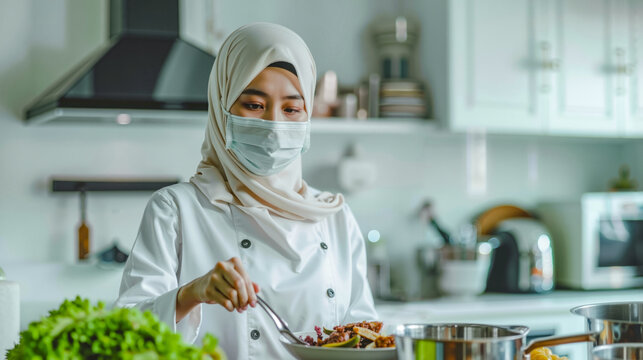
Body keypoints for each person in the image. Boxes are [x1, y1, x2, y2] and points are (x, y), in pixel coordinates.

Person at [116, 23, 377, 359]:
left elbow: (364, 335)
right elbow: (125, 332)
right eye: (254, 105)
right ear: (222, 106)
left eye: (292, 109)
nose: (274, 126)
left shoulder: (335, 217)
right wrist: (191, 294)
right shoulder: (176, 210)